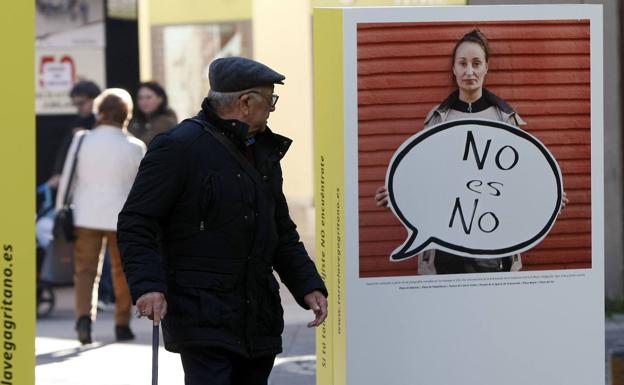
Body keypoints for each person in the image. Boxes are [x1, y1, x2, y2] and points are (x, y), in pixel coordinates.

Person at [118, 57, 328, 385]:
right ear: (245, 102)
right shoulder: (179, 147)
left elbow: (280, 229)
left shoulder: (263, 152)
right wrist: (148, 285)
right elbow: (137, 220)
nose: (272, 109)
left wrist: (308, 285)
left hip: (258, 313)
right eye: (269, 100)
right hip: (202, 313)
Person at [375, 29, 567, 274]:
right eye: (462, 63)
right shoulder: (437, 122)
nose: (469, 71)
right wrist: (396, 195)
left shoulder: (505, 122)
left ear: (487, 67)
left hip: (497, 251)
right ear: (454, 69)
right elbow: (426, 181)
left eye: (476, 63)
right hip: (445, 253)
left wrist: (548, 198)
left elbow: (518, 182)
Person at [56, 88, 146, 344]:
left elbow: (68, 176)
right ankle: (121, 324)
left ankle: (84, 319)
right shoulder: (136, 146)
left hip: (87, 214)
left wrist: (61, 207)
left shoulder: (83, 139)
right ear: (125, 114)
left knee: (85, 271)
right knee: (122, 271)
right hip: (123, 217)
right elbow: (141, 187)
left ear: (100, 111)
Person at [48, 80, 101, 189]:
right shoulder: (77, 123)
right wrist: (58, 173)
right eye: (75, 104)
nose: (78, 108)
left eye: (81, 103)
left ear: (96, 100)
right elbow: (65, 150)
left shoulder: (105, 122)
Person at [127, 81, 178, 145]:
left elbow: (146, 143)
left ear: (160, 99)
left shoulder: (167, 120)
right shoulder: (136, 120)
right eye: (140, 98)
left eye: (148, 97)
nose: (144, 102)